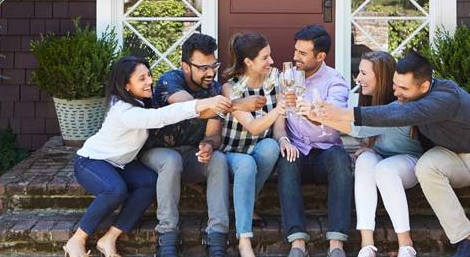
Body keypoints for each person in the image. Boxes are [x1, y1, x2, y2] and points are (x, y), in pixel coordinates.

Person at [313, 51, 470, 257]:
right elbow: (391, 113)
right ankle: (466, 241)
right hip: (452, 155)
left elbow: (397, 114)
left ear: (424, 86)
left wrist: (342, 113)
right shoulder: (409, 97)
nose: (396, 92)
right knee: (426, 167)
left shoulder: (444, 97)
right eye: (395, 84)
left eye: (403, 88)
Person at [64, 56, 231, 257]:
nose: (150, 81)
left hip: (121, 164)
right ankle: (76, 240)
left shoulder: (141, 103)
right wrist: (206, 102)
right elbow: (161, 118)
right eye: (141, 79)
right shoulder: (124, 110)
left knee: (149, 183)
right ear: (126, 85)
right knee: (115, 190)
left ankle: (109, 238)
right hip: (91, 162)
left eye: (149, 76)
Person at [140, 34, 265, 257]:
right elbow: (191, 108)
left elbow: (214, 133)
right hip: (156, 153)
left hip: (189, 155)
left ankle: (217, 237)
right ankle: (167, 236)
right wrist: (236, 104)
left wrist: (208, 145)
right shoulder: (170, 81)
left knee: (217, 159)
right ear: (185, 67)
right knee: (171, 160)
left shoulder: (214, 89)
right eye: (202, 67)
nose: (210, 72)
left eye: (213, 65)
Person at [276, 25, 353, 257]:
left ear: (320, 56)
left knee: (340, 158)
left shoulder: (335, 81)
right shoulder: (285, 78)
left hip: (325, 153)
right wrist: (282, 140)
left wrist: (311, 112)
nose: (294, 57)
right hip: (297, 151)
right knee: (286, 160)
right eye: (296, 51)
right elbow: (279, 121)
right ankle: (297, 243)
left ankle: (336, 244)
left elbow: (336, 119)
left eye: (302, 53)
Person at [217, 33, 287, 257]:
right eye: (265, 57)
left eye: (270, 56)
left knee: (272, 147)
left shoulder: (276, 84)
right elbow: (254, 127)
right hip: (231, 154)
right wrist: (279, 108)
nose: (271, 61)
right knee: (246, 164)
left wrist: (284, 140)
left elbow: (278, 130)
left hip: (258, 151)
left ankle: (243, 202)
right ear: (248, 62)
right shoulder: (231, 89)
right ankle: (244, 240)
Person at [350, 50, 424, 257]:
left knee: (384, 169)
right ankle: (367, 245)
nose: (358, 79)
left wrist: (321, 114)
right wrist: (370, 148)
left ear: (380, 76)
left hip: (411, 162)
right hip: (383, 158)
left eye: (364, 73)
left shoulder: (398, 104)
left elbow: (357, 128)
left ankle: (406, 244)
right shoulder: (368, 101)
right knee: (365, 160)